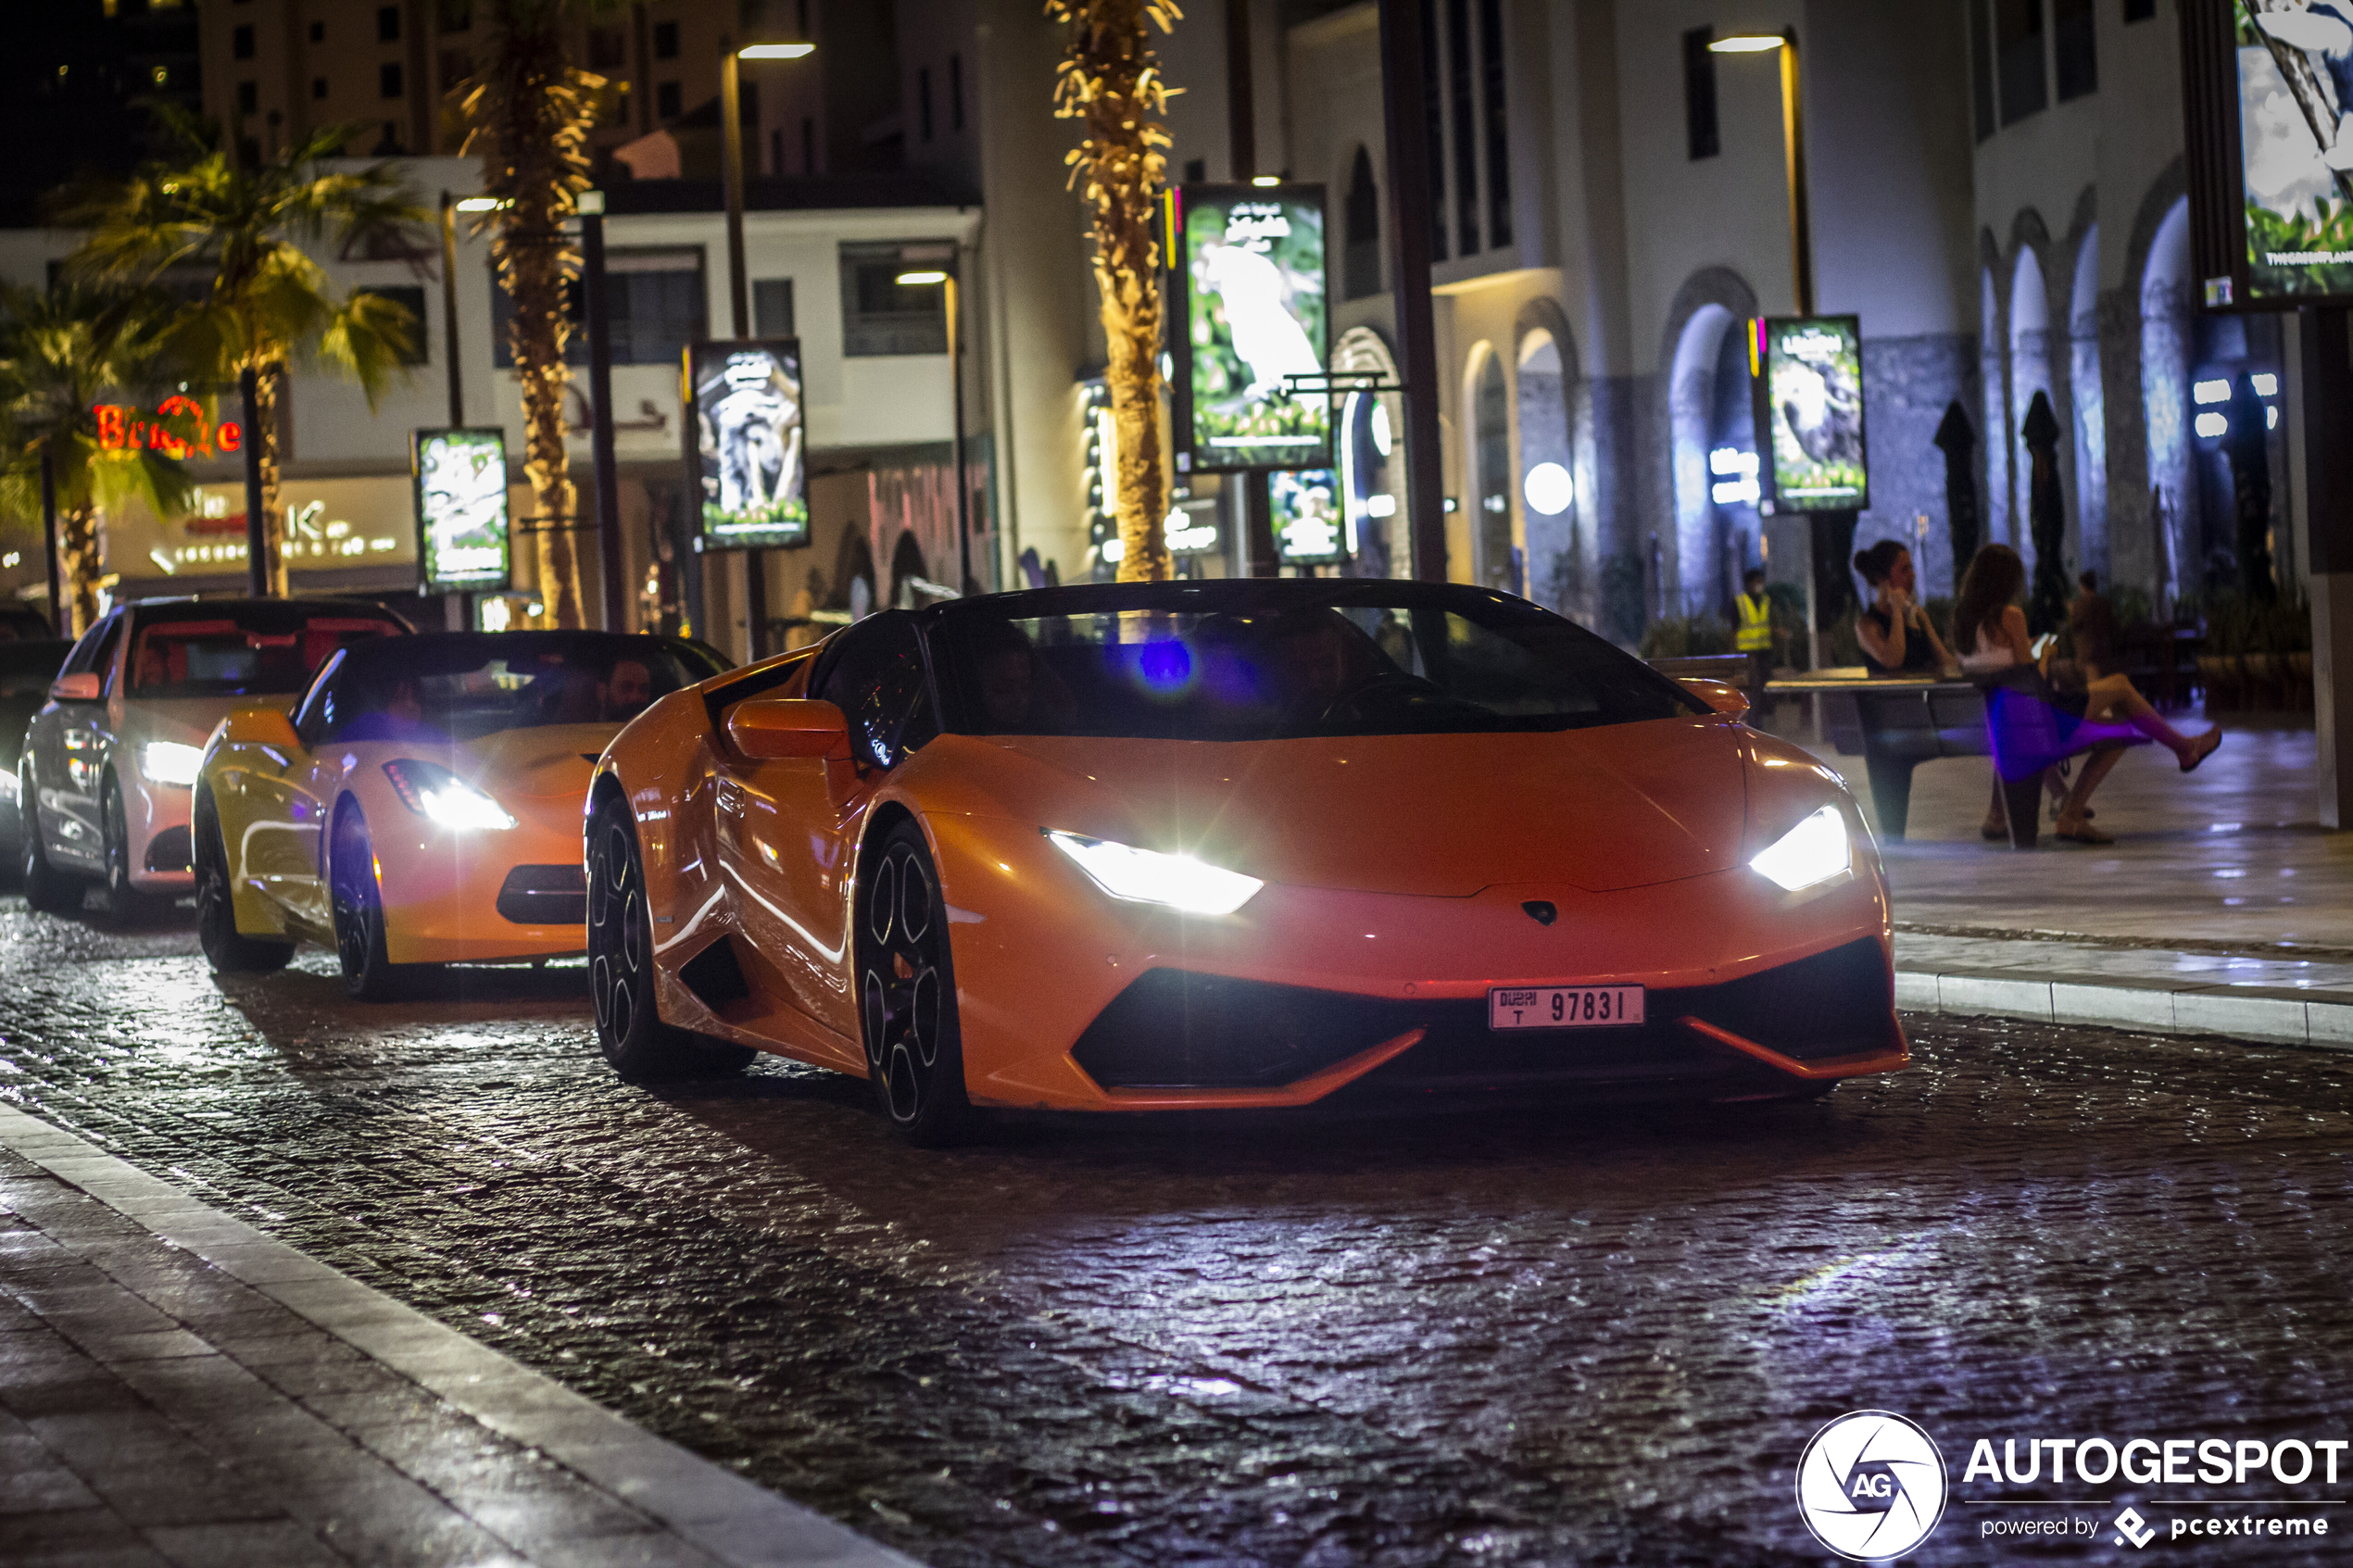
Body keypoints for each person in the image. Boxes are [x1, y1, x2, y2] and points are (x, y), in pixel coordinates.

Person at [1953, 545, 2221, 845]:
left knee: (2118, 709)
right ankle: (2180, 751)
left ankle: (2039, 813)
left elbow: (1989, 668)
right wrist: (2045, 655)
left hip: (2004, 725)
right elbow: (2033, 679)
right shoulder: (2010, 616)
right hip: (2038, 720)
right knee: (2120, 694)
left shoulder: (1962, 623)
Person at [1852, 540, 1952, 677]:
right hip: (1889, 697)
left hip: (1923, 695)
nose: (1912, 575)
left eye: (1911, 568)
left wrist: (1926, 624)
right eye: (1904, 570)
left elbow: (1947, 663)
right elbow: (1893, 662)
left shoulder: (1914, 617)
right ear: (1882, 579)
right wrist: (1897, 610)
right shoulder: (1867, 625)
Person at [1734, 568, 1775, 712]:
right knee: (1753, 684)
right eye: (1757, 582)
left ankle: (1765, 714)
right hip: (1747, 651)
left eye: (1761, 582)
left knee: (1766, 683)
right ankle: (1752, 717)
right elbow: (1733, 630)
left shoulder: (1766, 600)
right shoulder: (1739, 602)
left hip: (1764, 649)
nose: (1760, 585)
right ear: (1749, 583)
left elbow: (1767, 624)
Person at [599, 656, 656, 722]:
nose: (635, 697)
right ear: (602, 691)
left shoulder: (660, 730)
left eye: (643, 689)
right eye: (626, 687)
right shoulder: (586, 730)